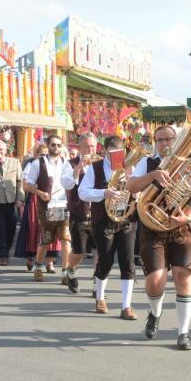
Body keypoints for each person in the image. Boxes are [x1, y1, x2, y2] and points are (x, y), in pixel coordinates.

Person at [125, 125, 191, 351]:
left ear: (177, 139)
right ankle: (156, 312)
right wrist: (153, 175)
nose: (164, 144)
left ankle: (183, 332)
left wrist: (186, 217)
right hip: (153, 226)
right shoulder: (147, 162)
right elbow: (130, 186)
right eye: (160, 140)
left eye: (169, 139)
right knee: (155, 281)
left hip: (183, 226)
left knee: (182, 277)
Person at [79, 135, 139, 319]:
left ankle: (126, 306)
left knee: (127, 261)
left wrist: (136, 193)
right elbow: (82, 192)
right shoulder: (95, 168)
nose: (117, 157)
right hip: (104, 220)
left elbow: (140, 188)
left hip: (126, 218)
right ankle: (100, 297)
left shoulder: (129, 166)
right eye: (113, 153)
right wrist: (104, 192)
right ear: (105, 151)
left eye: (120, 153)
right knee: (105, 260)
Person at [23, 135, 72, 282]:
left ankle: (66, 273)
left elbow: (71, 182)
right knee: (46, 240)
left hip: (62, 204)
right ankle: (38, 266)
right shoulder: (38, 163)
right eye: (53, 145)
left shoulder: (66, 163)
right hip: (46, 206)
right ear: (47, 145)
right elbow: (27, 185)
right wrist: (40, 193)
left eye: (58, 145)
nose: (56, 148)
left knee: (65, 238)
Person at [60, 133, 98, 293]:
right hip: (79, 212)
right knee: (79, 252)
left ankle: (98, 283)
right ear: (80, 148)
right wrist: (79, 168)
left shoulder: (102, 163)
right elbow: (67, 184)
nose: (90, 149)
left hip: (100, 213)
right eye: (87, 146)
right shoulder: (71, 164)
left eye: (93, 146)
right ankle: (71, 270)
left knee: (101, 250)